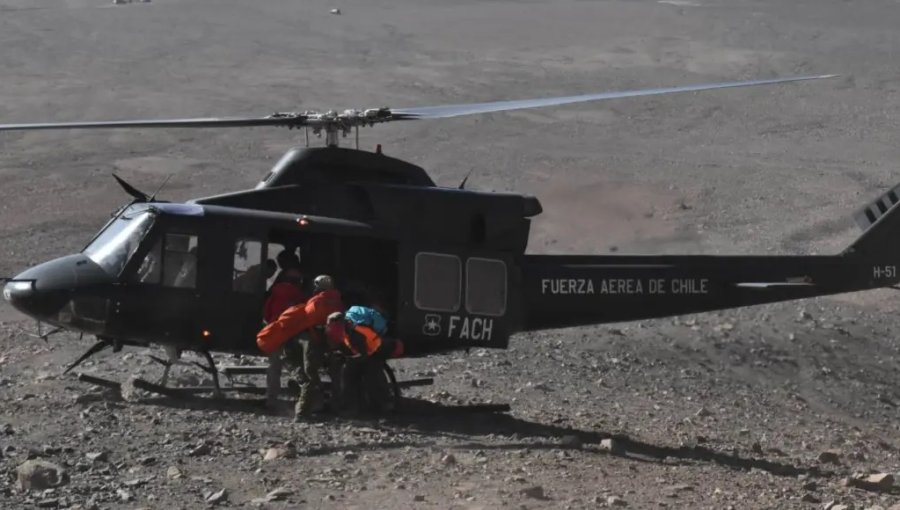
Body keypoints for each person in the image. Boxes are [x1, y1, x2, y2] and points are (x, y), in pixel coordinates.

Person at [257, 275, 344, 420]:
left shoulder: (301, 301)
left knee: (285, 372)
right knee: (323, 375)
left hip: (281, 338)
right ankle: (328, 405)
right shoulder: (336, 302)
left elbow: (267, 315)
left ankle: (275, 402)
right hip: (326, 342)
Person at [325, 311, 404, 416]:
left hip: (375, 352)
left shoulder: (356, 333)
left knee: (371, 377)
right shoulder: (345, 328)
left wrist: (348, 359)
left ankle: (385, 406)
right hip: (366, 352)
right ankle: (359, 405)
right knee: (351, 373)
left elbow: (363, 355)